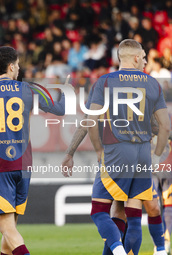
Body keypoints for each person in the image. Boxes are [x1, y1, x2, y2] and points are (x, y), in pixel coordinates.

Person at [0, 46, 66, 255]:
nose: (18, 68)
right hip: (24, 164)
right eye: (17, 64)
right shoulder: (28, 88)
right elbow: (59, 109)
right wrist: (65, 91)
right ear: (10, 66)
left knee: (5, 226)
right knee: (10, 228)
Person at [88, 39, 170, 255]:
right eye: (143, 56)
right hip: (142, 156)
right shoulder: (151, 83)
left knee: (101, 210)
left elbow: (91, 121)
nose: (145, 60)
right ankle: (158, 250)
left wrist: (98, 149)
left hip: (116, 154)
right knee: (130, 212)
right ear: (135, 57)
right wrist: (157, 155)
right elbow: (163, 126)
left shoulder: (105, 82)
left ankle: (121, 250)